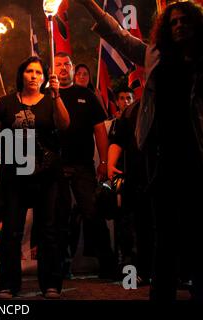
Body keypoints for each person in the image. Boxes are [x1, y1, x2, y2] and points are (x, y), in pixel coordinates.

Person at [77, 0, 203, 301]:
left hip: (199, 157)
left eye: (183, 20)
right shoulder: (155, 54)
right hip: (164, 158)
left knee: (199, 232)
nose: (178, 26)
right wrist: (90, 5)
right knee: (165, 234)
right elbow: (119, 37)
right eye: (172, 22)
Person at [0, 56, 70, 299]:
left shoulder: (51, 102)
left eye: (38, 72)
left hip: (46, 175)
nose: (33, 76)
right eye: (29, 71)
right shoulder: (4, 104)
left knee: (48, 229)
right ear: (21, 75)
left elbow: (64, 125)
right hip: (13, 177)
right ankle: (8, 284)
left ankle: (51, 283)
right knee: (11, 231)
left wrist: (57, 95)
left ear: (44, 78)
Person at [55, 52, 116, 280]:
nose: (63, 68)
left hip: (83, 167)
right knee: (59, 217)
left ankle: (108, 267)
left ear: (72, 69)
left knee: (93, 214)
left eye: (67, 64)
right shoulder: (46, 95)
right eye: (58, 64)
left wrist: (103, 162)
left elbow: (100, 130)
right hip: (55, 168)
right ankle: (61, 268)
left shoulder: (87, 95)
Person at [107, 99, 153, 287]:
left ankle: (179, 275)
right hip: (138, 179)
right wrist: (110, 164)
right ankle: (135, 275)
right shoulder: (131, 110)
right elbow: (118, 140)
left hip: (168, 177)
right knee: (137, 228)